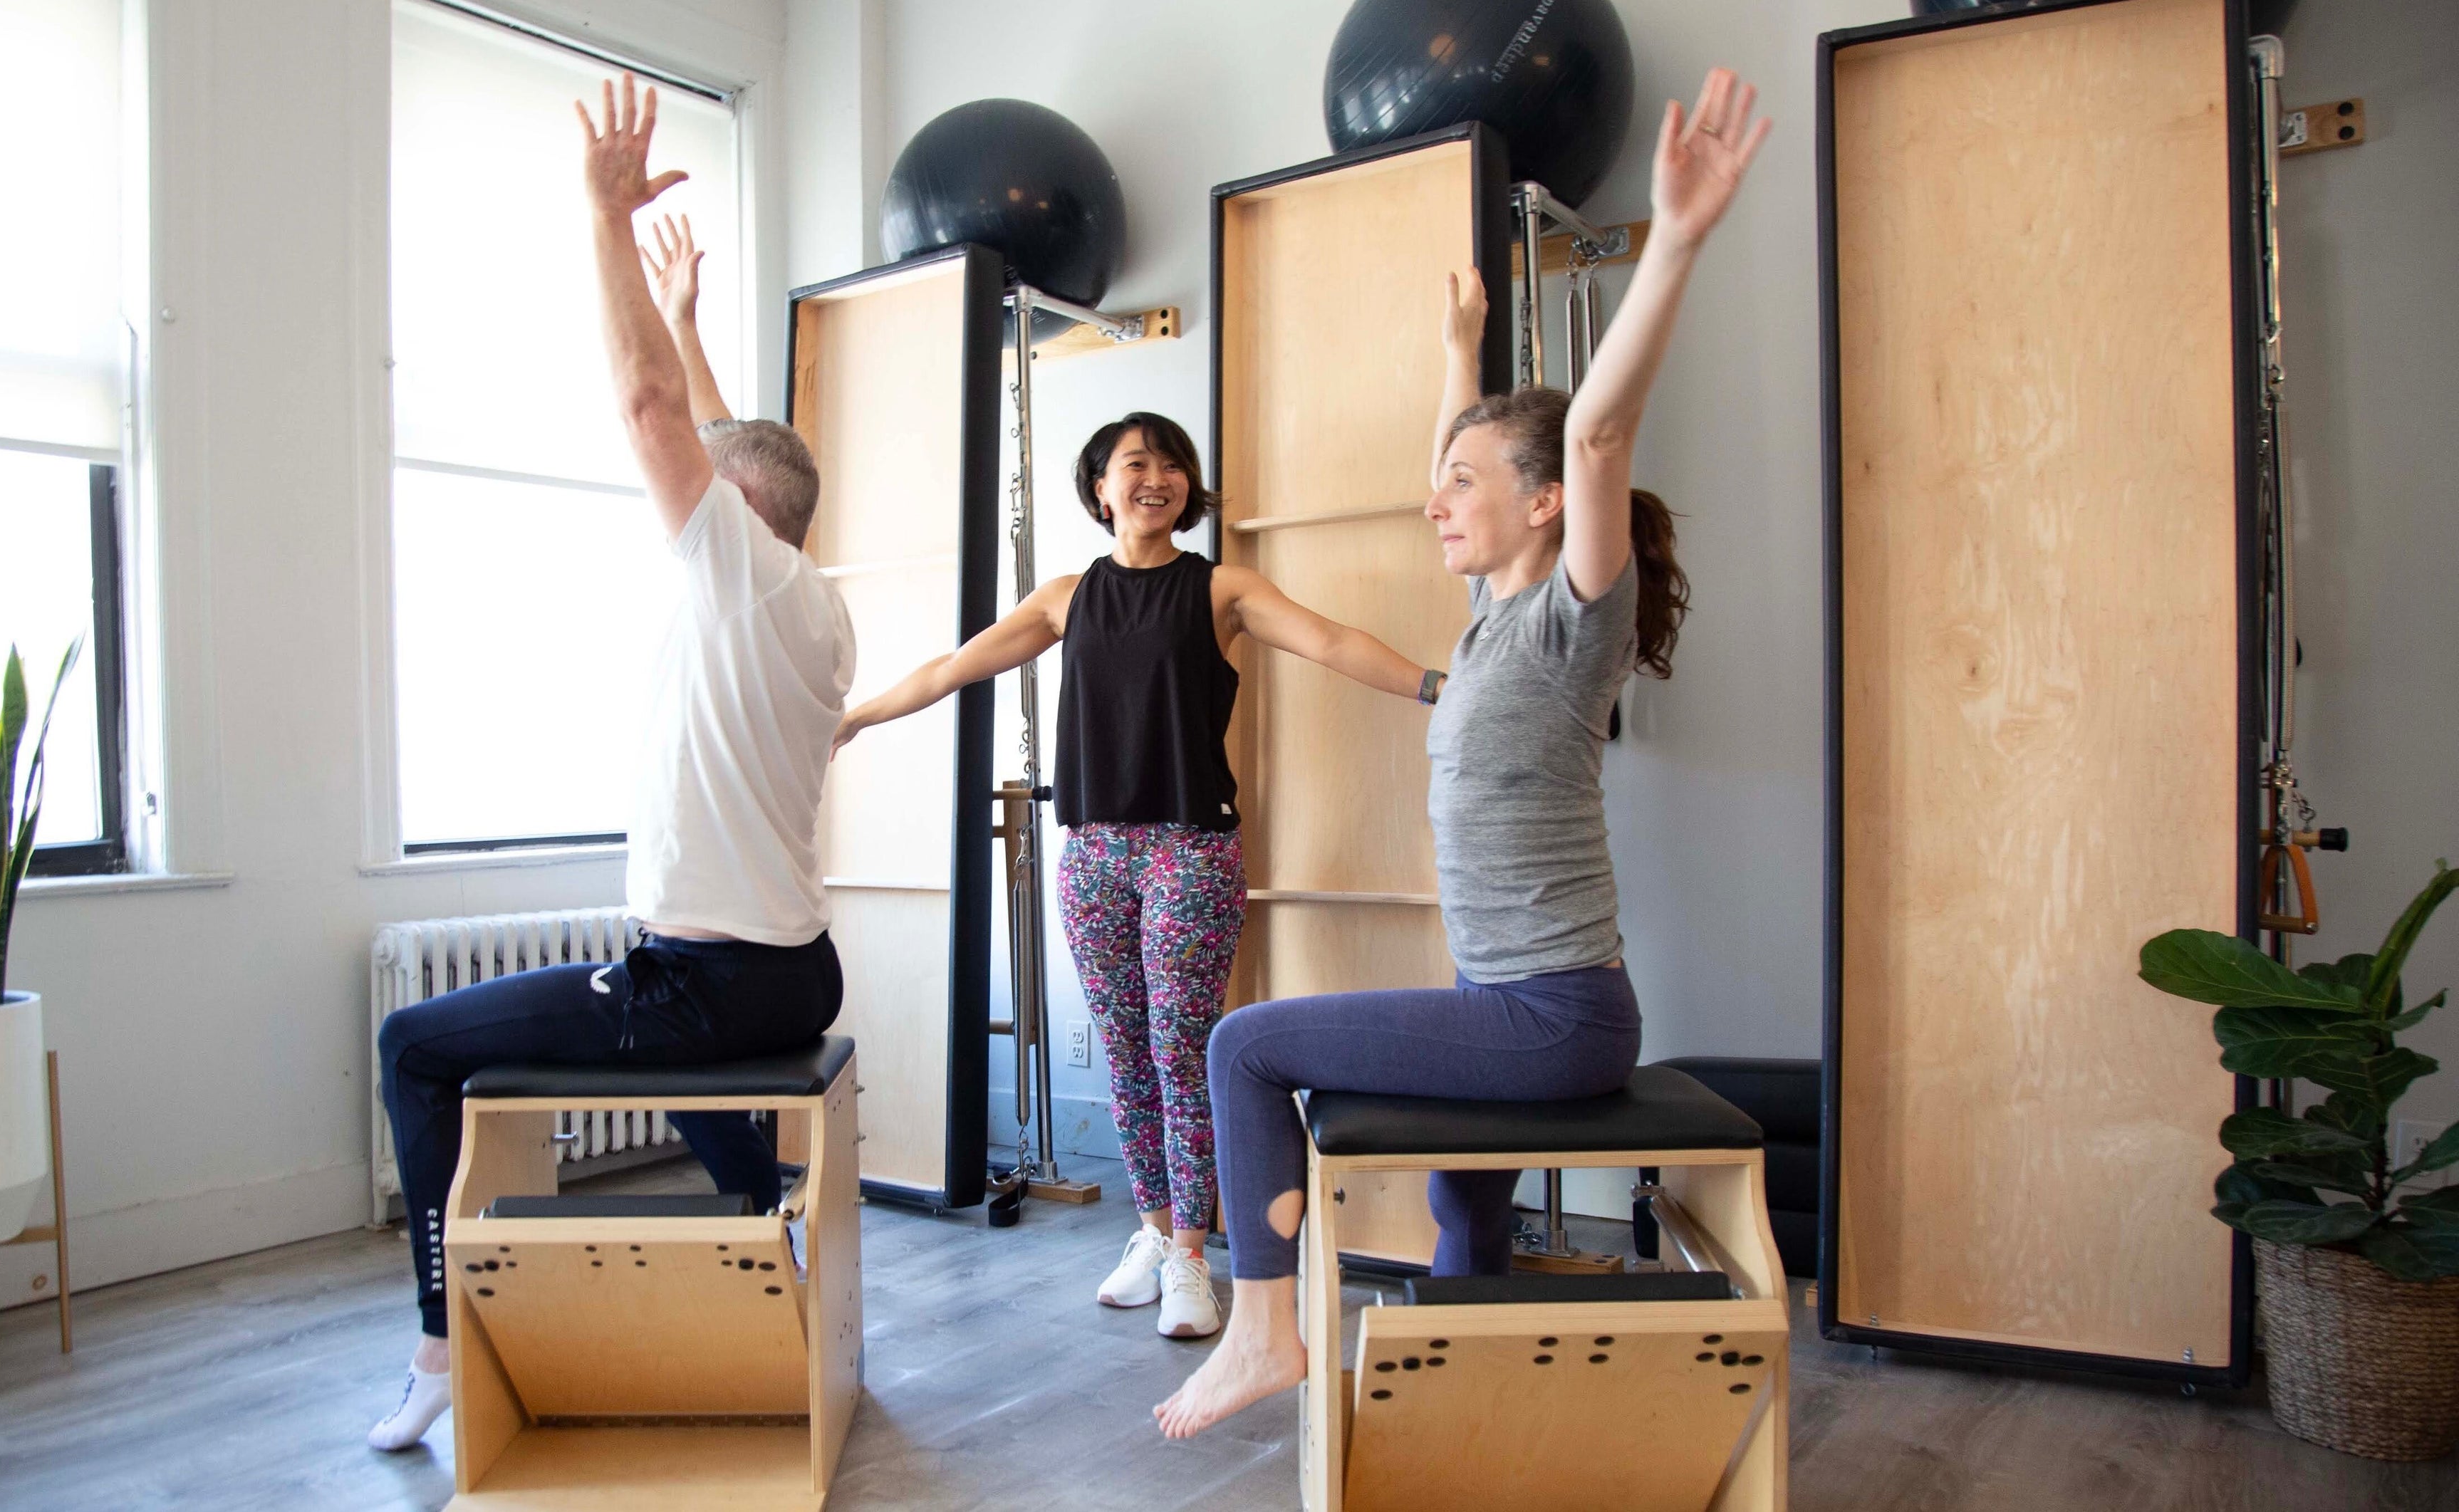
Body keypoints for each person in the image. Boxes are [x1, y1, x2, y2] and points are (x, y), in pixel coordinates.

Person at [1154, 66, 1764, 1439]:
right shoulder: (1493, 621)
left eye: (1465, 491)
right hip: (1515, 992)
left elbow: (1596, 429)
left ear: (1549, 507)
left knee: (1245, 1047)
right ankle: (1472, 1403)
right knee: (1462, 1194)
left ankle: (1263, 1330)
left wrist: (1673, 238)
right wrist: (1463, 349)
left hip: (1551, 1018)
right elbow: (1472, 454)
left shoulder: (1569, 623)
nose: (1436, 504)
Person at [368, 76, 855, 1453]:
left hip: (707, 983)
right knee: (678, 1048)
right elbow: (721, 438)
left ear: (735, 512)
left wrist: (602, 218)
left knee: (417, 1048)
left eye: (706, 478)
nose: (675, 485)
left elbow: (655, 413)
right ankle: (782, 1253)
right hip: (785, 965)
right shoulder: (800, 595)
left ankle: (432, 1341)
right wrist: (697, 325)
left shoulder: (736, 571)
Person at [835, 412, 1439, 1340]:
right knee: (1125, 1053)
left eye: (1170, 463)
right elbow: (958, 667)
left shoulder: (1221, 588)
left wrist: (1439, 685)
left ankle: (1195, 1258)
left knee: (1182, 1051)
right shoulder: (1067, 598)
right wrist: (860, 717)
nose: (1154, 476)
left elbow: (1330, 640)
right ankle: (1154, 1232)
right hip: (1093, 853)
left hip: (1189, 850)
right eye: (1133, 464)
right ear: (1100, 492)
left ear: (1187, 488)